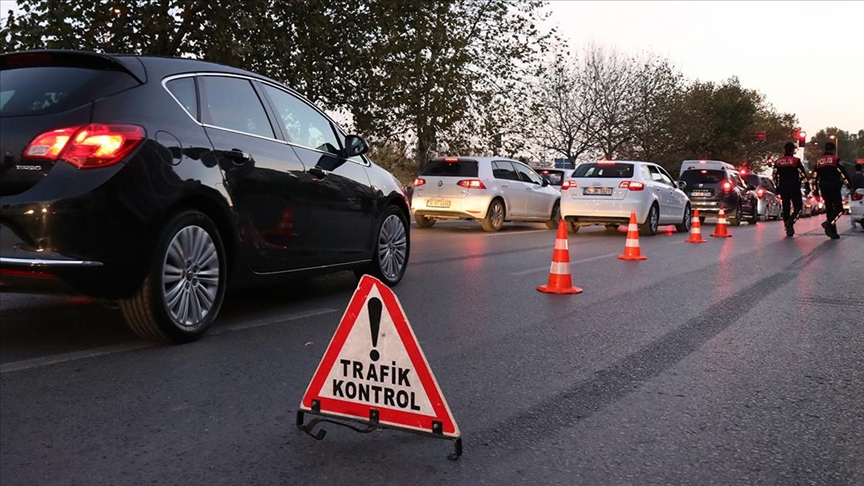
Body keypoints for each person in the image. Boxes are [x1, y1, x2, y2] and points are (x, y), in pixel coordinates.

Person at [813, 142, 851, 239]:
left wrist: (815, 191)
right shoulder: (835, 159)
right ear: (833, 150)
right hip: (834, 186)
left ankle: (832, 232)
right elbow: (843, 173)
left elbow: (814, 178)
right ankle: (828, 223)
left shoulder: (819, 162)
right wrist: (849, 186)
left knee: (829, 209)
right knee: (839, 209)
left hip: (823, 187)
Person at [772, 142, 811, 237]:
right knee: (798, 207)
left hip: (783, 187)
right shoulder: (796, 161)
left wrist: (777, 187)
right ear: (793, 150)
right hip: (794, 187)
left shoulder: (778, 161)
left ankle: (787, 224)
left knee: (786, 207)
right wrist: (807, 185)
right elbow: (802, 174)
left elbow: (774, 175)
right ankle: (791, 221)